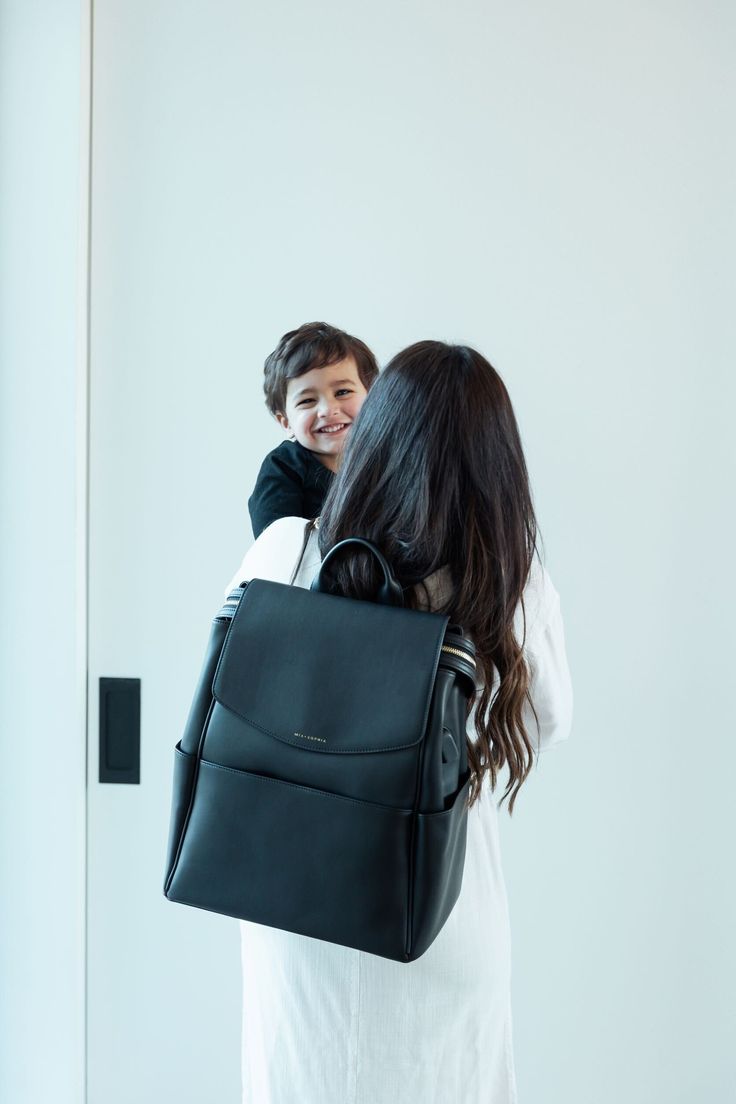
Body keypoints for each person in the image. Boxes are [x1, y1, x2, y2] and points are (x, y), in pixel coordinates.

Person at [227, 340, 573, 1104]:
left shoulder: (291, 546)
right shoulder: (511, 582)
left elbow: (229, 689)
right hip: (439, 896)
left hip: (296, 896)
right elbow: (549, 721)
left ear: (377, 430)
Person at [247, 321, 379, 538]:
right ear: (286, 422)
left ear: (374, 398)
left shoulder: (388, 459)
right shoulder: (283, 467)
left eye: (343, 392)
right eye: (308, 400)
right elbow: (275, 545)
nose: (328, 410)